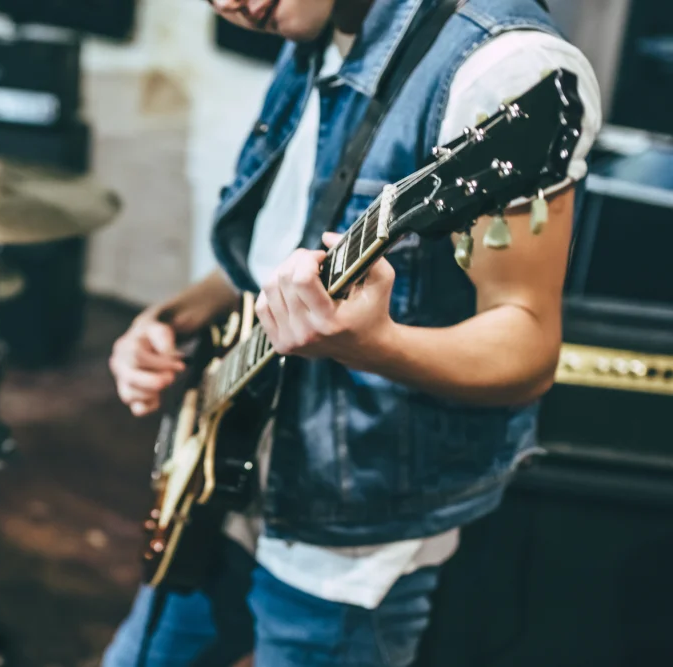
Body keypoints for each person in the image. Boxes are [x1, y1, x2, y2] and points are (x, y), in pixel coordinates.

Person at [104, 0, 602, 665]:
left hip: (349, 541)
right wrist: (170, 319)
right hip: (226, 475)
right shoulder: (311, 26)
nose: (227, 4)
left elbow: (529, 344)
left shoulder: (505, 70)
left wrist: (375, 345)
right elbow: (280, 255)